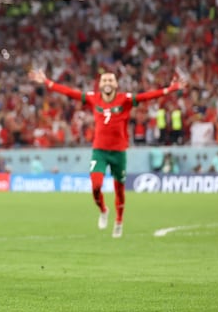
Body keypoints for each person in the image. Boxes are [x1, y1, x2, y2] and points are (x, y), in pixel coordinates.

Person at [29, 69, 185, 238]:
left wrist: (169, 89)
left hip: (118, 152)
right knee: (96, 186)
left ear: (116, 84)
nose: (108, 83)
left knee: (119, 190)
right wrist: (47, 82)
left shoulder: (124, 100)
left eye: (111, 80)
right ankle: (103, 210)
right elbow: (69, 92)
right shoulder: (93, 98)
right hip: (100, 152)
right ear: (100, 85)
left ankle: (119, 221)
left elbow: (147, 96)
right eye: (105, 80)